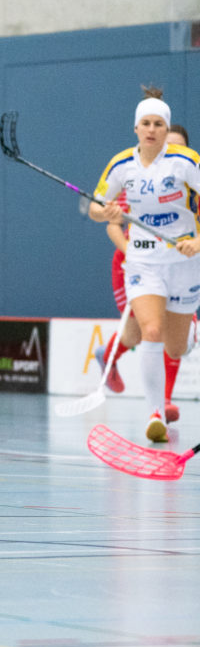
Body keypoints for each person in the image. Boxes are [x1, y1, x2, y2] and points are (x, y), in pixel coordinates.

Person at [90, 90, 200, 442]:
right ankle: (156, 414)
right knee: (150, 330)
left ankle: (180, 342)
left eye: (158, 124)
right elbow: (96, 205)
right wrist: (103, 211)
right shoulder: (121, 164)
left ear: (166, 128)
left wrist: (197, 242)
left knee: (176, 346)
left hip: (183, 261)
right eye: (146, 123)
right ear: (136, 127)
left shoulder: (186, 161)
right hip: (142, 259)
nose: (152, 129)